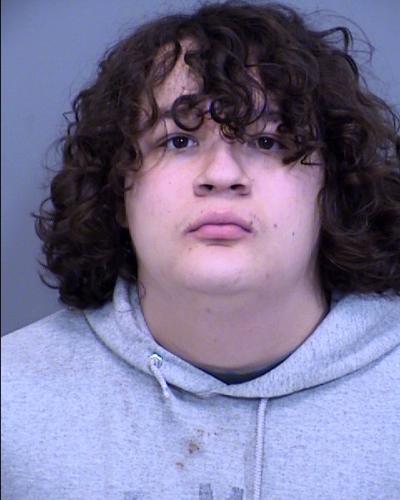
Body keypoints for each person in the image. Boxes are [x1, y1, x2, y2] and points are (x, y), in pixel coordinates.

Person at [2, 1, 399, 499]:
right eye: (179, 142)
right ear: (118, 189)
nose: (222, 174)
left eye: (268, 141)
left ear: (334, 189)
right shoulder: (10, 402)